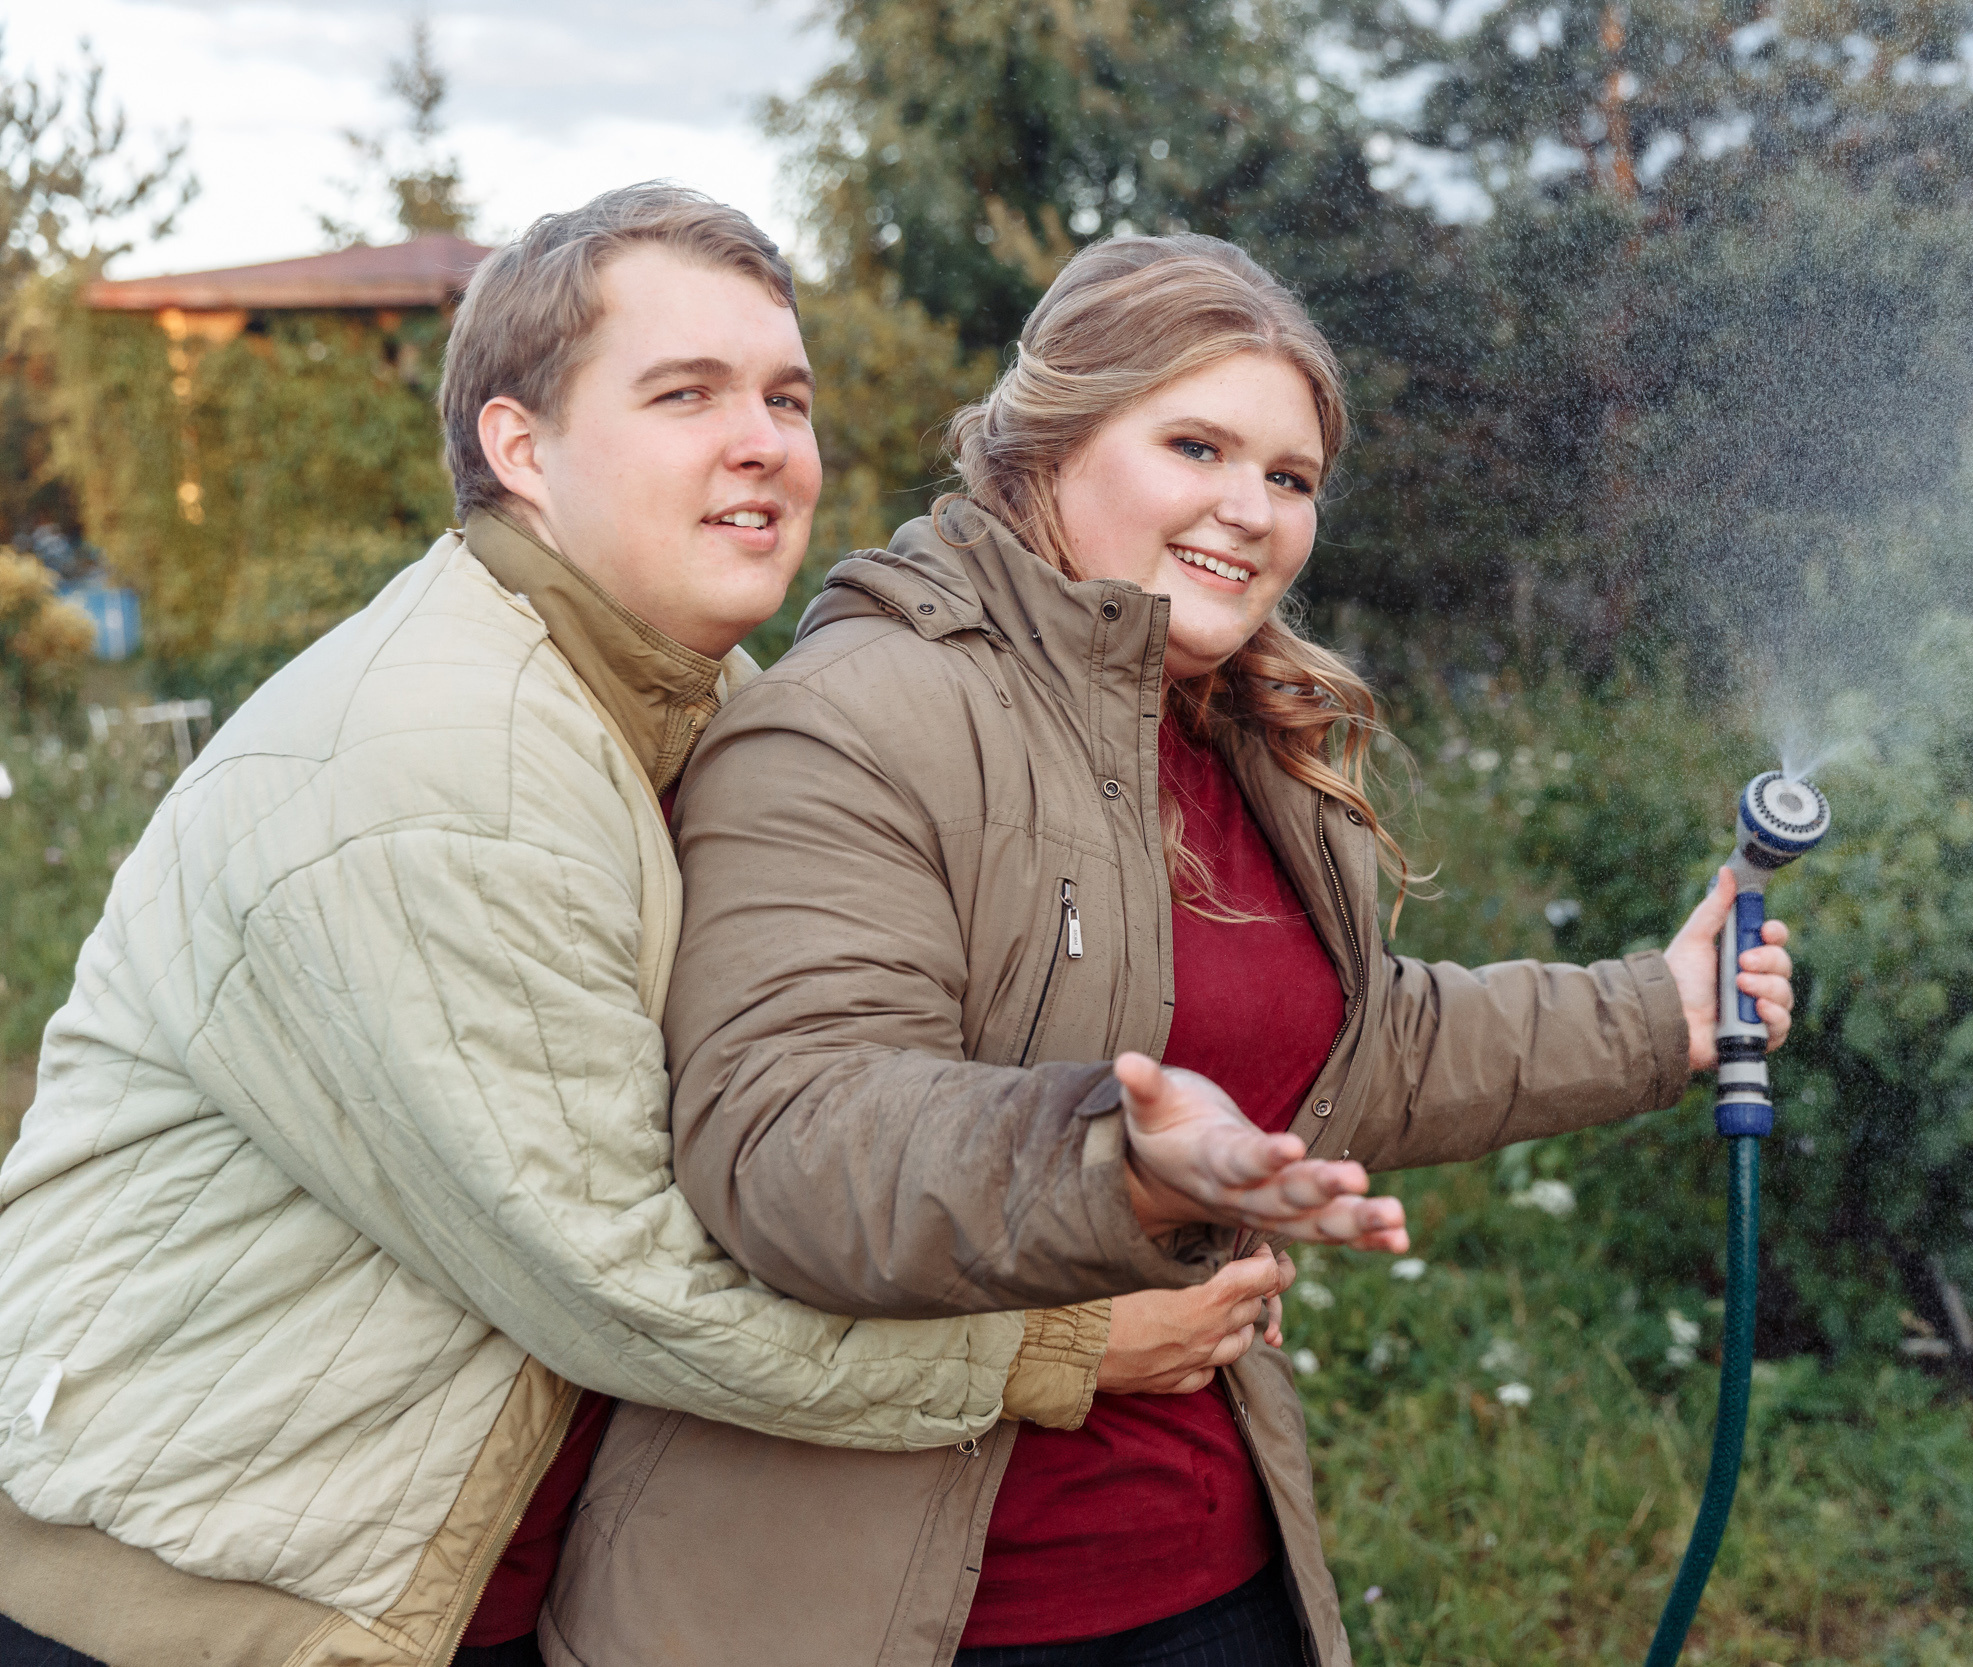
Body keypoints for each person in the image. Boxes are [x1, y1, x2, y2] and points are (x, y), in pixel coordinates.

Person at [0, 192, 1397, 1667]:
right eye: (686, 396)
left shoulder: (687, 708)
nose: (765, 442)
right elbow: (630, 1276)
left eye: (786, 397)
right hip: (213, 1596)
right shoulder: (439, 766)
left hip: (451, 1571)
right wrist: (1069, 1345)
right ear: (517, 446)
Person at [543, 233, 1795, 1667]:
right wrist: (1116, 1165)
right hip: (885, 1609)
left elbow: (1349, 1048)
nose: (1247, 511)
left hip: (1208, 1575)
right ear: (1048, 443)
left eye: (1290, 478)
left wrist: (1660, 1013)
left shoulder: (1237, 736)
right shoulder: (855, 719)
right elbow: (791, 1137)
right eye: (1195, 443)